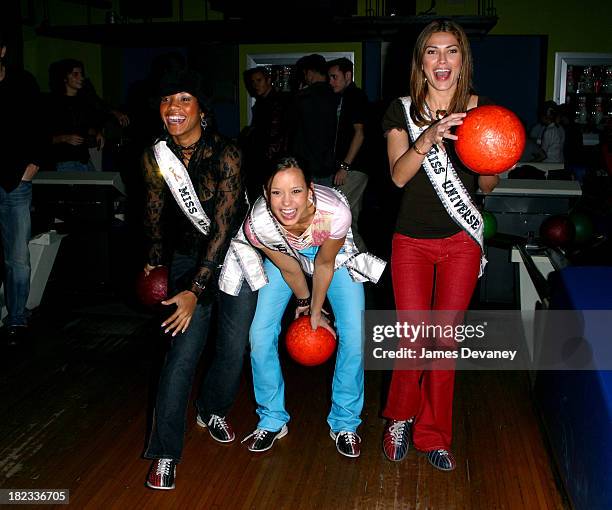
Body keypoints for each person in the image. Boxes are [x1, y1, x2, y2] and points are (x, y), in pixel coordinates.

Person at [380, 19, 499, 471]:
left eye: (452, 51)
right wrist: (428, 138)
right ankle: (399, 418)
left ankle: (435, 436)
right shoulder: (401, 111)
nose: (442, 61)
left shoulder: (481, 111)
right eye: (432, 51)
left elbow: (487, 186)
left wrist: (492, 159)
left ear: (463, 59)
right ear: (420, 61)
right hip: (411, 241)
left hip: (461, 242)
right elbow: (397, 176)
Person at [219, 157, 385, 458]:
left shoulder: (333, 212)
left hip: (332, 258)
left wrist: (316, 311)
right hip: (287, 264)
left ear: (310, 191)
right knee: (259, 335)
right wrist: (305, 302)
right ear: (265, 193)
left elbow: (323, 263)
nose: (286, 203)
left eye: (295, 191)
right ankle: (271, 419)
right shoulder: (258, 225)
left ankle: (345, 422)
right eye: (276, 192)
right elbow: (291, 270)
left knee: (356, 335)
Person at [142, 70, 257, 490]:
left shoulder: (227, 153)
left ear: (202, 112)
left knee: (232, 346)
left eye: (184, 99)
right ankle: (165, 452)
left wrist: (195, 291)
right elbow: (154, 213)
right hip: (188, 257)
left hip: (237, 256)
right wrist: (154, 263)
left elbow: (224, 229)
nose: (173, 107)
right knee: (182, 353)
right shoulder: (156, 155)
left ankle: (213, 409)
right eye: (166, 99)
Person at [0, 29, 44, 347]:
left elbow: (39, 126)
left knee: (17, 257)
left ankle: (16, 317)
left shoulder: (22, 82)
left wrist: (33, 165)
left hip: (16, 182)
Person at [327, 57, 371, 252]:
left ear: (348, 75)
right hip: (352, 167)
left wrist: (345, 166)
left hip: (354, 168)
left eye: (334, 77)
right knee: (349, 217)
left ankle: (366, 266)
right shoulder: (344, 97)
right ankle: (363, 267)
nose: (331, 81)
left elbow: (360, 133)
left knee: (340, 217)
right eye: (329, 77)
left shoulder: (355, 96)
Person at [240, 66, 290, 201]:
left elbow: (276, 137)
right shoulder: (264, 102)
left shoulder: (276, 102)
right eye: (253, 82)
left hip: (267, 163)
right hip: (264, 162)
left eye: (259, 80)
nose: (255, 85)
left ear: (268, 80)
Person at [46, 58, 104, 172]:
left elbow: (85, 127)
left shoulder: (83, 101)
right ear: (64, 78)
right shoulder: (53, 103)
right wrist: (64, 138)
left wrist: (97, 133)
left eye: (81, 74)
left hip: (84, 160)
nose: (81, 78)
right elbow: (42, 137)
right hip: (64, 162)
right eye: (75, 74)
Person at [288, 54, 338, 186]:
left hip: (306, 164)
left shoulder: (302, 97)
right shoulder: (335, 95)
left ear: (309, 73)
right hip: (328, 164)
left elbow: (291, 128)